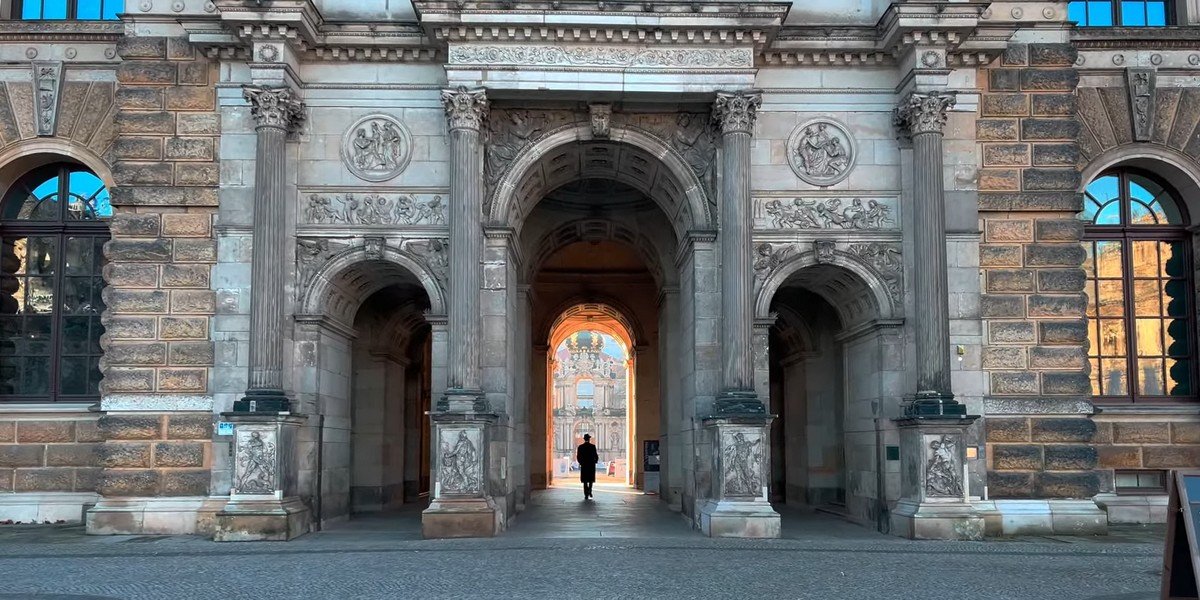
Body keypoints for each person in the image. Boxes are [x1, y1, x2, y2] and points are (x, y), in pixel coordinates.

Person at [576, 433, 599, 500]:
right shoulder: (592, 446)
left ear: (584, 439)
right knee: (591, 480)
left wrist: (581, 463)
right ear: (589, 439)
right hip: (591, 465)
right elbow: (596, 455)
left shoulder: (580, 447)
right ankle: (590, 491)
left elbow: (578, 456)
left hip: (584, 466)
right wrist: (595, 461)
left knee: (585, 480)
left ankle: (586, 494)